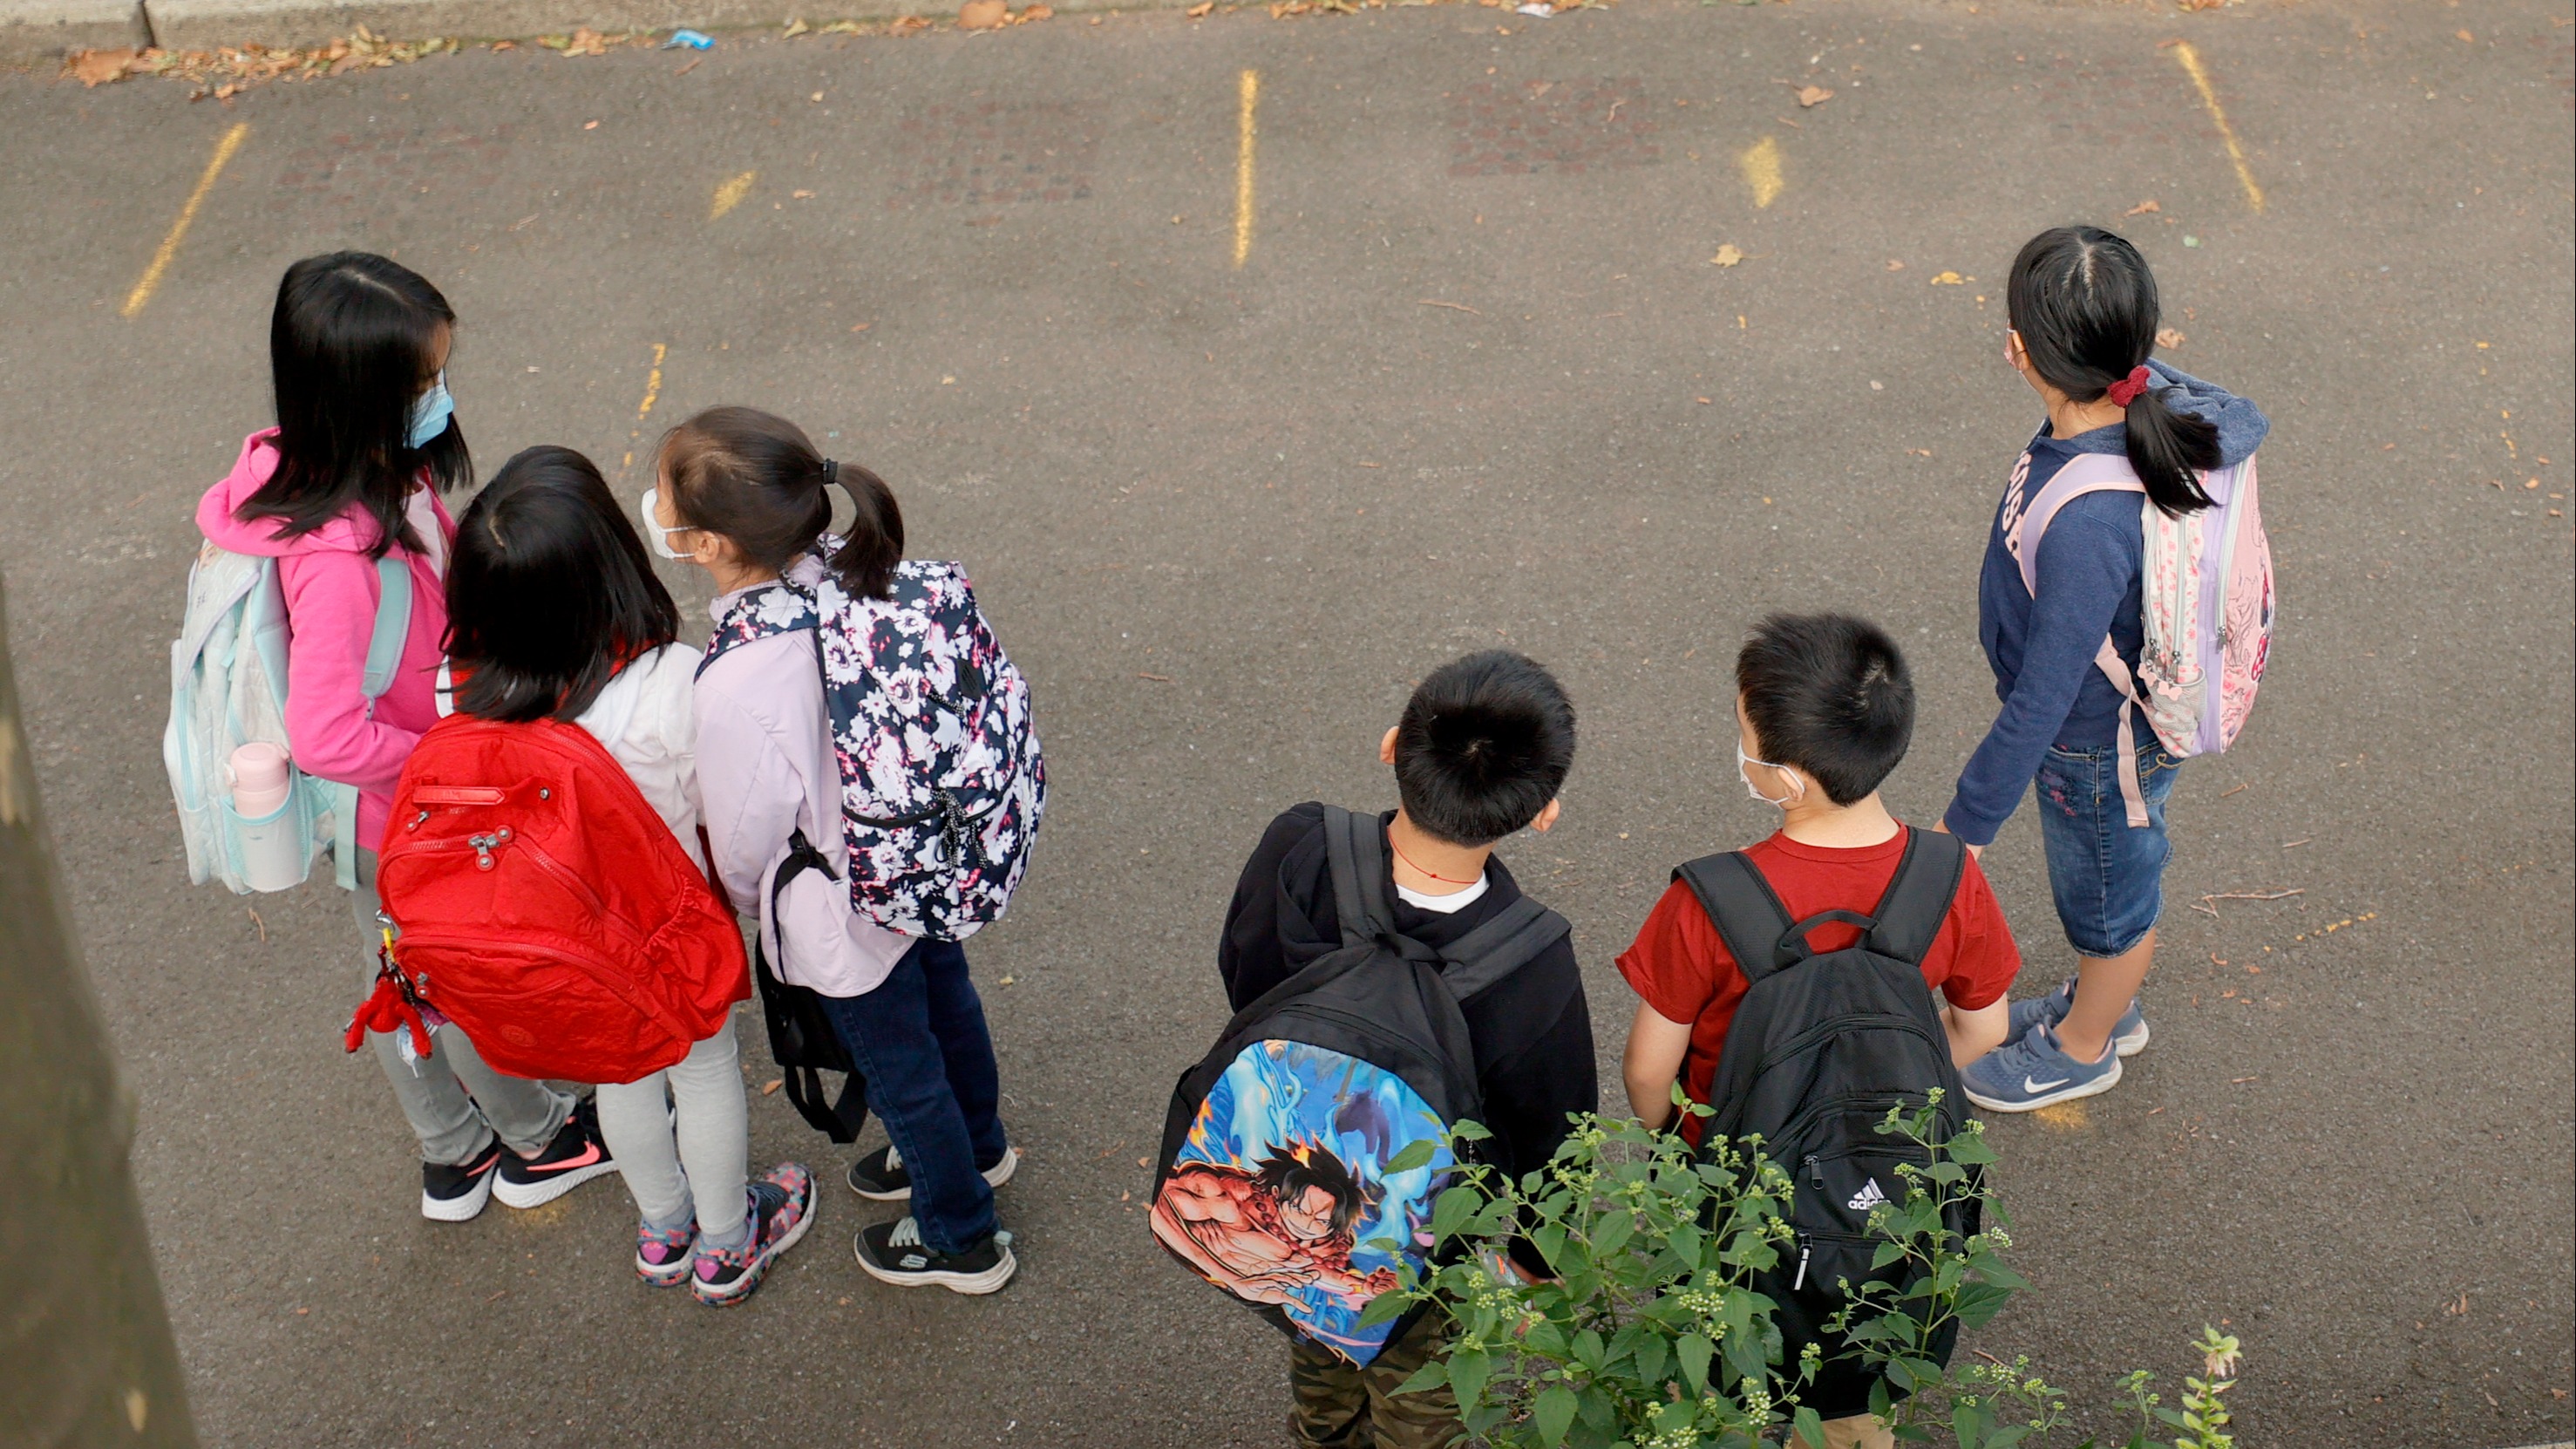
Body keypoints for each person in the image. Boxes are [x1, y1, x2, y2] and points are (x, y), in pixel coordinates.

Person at [194, 253, 611, 1222]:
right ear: (360, 394)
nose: (441, 394)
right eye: (423, 381)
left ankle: (451, 1154)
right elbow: (331, 734)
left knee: (403, 973)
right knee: (456, 978)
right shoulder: (340, 559)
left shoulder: (337, 473)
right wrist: (462, 766)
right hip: (407, 806)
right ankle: (538, 1141)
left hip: (391, 808)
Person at [1618, 614, 2018, 1449]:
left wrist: (1679, 1137)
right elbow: (1984, 1026)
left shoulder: (1709, 900)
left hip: (1740, 1167)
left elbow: (1647, 1075)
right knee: (1860, 1361)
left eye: (1743, 736)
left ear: (1786, 778)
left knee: (1740, 1341)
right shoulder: (1946, 875)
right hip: (1894, 1173)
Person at [654, 406, 1020, 1295]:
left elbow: (745, 836)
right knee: (949, 1004)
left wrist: (748, 901)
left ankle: (962, 1235)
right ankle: (982, 1146)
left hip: (840, 910)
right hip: (924, 863)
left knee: (901, 1076)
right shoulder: (866, 579)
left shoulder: (737, 680)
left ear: (705, 545)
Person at [440, 446, 813, 1303]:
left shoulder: (469, 687)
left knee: (621, 1073)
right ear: (612, 560)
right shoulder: (669, 683)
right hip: (668, 929)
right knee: (704, 1070)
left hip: (567, 936)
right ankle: (727, 1240)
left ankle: (664, 1228)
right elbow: (718, 805)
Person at [1218, 650, 1595, 1449]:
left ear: (1391, 745)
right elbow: (1552, 1135)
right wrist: (1531, 1260)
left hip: (1280, 1178)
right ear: (1542, 811)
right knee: (1422, 1393)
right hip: (1424, 1242)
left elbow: (1243, 970)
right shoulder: (1528, 956)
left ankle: (1323, 1431)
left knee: (1317, 1341)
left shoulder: (1301, 845)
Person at [1939, 225, 2270, 1112]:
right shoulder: (2127, 410)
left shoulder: (2090, 524)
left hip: (2096, 746)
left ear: (2020, 351)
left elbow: (2047, 693)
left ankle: (2090, 1043)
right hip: (2094, 730)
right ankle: (2099, 1004)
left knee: (2110, 904)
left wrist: (1969, 822)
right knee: (2103, 885)